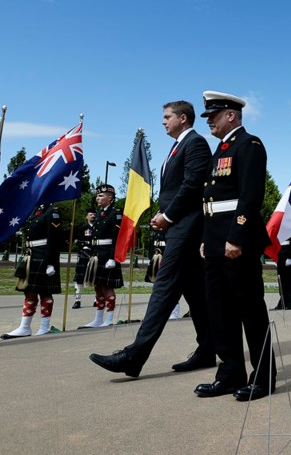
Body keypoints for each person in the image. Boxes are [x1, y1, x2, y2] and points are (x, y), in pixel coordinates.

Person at [89, 100, 214, 377]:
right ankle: (208, 350)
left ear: (183, 118)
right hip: (180, 228)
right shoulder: (178, 145)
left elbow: (193, 185)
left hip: (187, 229)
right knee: (196, 295)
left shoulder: (195, 143)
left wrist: (168, 216)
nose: (163, 121)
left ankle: (134, 356)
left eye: (167, 116)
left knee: (162, 290)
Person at [195, 91, 275, 402]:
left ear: (232, 115)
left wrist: (236, 237)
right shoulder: (221, 150)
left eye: (214, 115)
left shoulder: (249, 145)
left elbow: (250, 195)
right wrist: (205, 238)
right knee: (219, 312)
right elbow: (211, 200)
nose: (210, 121)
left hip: (236, 241)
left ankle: (264, 376)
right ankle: (229, 374)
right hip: (214, 241)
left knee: (250, 310)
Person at [1, 204, 64, 338]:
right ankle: (24, 327)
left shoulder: (52, 211)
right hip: (31, 254)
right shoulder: (36, 209)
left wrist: (50, 262)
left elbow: (54, 238)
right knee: (29, 291)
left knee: (45, 292)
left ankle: (44, 327)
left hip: (43, 255)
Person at [81, 184, 123, 328]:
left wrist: (113, 257)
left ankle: (109, 318)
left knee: (107, 287)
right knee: (98, 286)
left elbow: (116, 237)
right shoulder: (99, 213)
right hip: (97, 253)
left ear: (110, 198)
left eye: (101, 196)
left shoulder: (116, 213)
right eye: (97, 195)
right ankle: (98, 318)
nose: (97, 198)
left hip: (107, 254)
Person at [72, 209, 95, 309]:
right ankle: (77, 300)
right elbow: (78, 240)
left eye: (94, 215)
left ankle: (96, 299)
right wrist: (86, 243)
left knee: (95, 276)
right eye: (90, 215)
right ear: (87, 217)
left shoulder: (99, 227)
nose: (93, 216)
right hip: (84, 253)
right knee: (80, 277)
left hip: (95, 253)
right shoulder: (82, 228)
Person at [273, 231, 291, 311]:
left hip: (287, 253)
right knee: (281, 280)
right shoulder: (280, 225)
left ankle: (290, 303)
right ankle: (283, 302)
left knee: (289, 280)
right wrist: (275, 257)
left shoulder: (290, 225)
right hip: (280, 253)